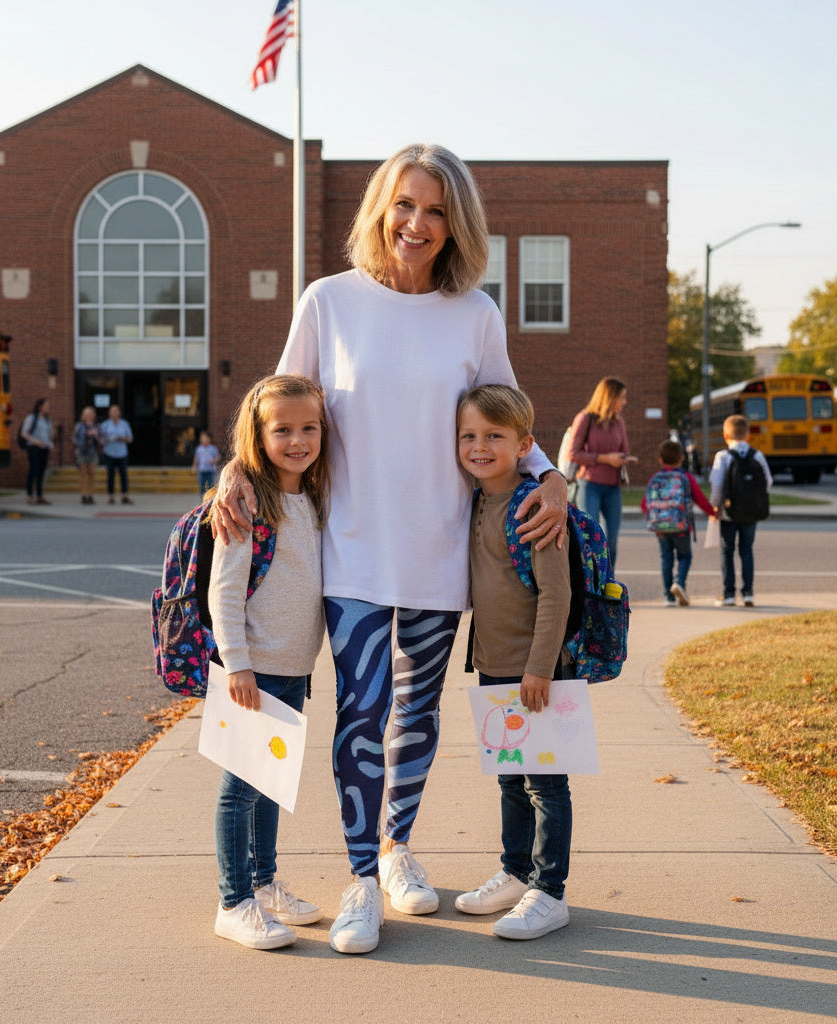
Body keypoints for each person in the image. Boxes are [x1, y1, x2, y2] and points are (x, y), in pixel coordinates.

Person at [212, 142, 567, 955]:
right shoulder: (328, 301)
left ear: (456, 225)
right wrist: (234, 469)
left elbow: (510, 421)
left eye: (436, 210)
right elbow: (275, 410)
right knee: (361, 713)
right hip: (352, 553)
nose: (417, 223)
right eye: (405, 204)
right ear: (380, 208)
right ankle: (361, 879)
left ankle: (399, 845)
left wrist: (551, 477)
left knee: (417, 713)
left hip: (442, 553)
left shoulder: (475, 314)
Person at [208, 374, 330, 950]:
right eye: (283, 430)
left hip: (293, 666)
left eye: (309, 428)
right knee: (241, 788)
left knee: (271, 783)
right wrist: (237, 664)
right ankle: (234, 902)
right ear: (257, 437)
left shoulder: (314, 495)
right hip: (254, 670)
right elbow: (225, 590)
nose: (298, 440)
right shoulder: (248, 501)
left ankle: (263, 883)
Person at [455, 384, 575, 940]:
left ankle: (550, 892)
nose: (479, 447)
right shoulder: (475, 499)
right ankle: (516, 871)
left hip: (535, 672)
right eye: (469, 436)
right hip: (493, 665)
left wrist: (540, 668)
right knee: (509, 778)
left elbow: (556, 595)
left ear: (525, 445)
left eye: (494, 436)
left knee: (545, 785)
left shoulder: (536, 506)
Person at [566, 377, 635, 574]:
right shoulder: (585, 418)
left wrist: (625, 458)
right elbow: (573, 454)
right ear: (609, 397)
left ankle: (607, 582)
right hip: (590, 485)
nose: (625, 402)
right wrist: (605, 458)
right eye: (622, 397)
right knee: (591, 538)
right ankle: (589, 582)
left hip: (613, 487)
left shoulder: (619, 422)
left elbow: (624, 450)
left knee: (611, 540)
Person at [640, 438, 716, 607]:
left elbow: (644, 505)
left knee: (666, 558)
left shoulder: (655, 478)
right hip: (681, 526)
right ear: (681, 458)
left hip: (660, 527)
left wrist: (657, 518)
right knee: (685, 556)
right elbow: (699, 498)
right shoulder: (686, 477)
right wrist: (712, 512)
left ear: (660, 459)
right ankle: (679, 583)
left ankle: (668, 597)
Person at [709, 414, 773, 607]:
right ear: (748, 435)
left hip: (729, 513)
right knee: (747, 549)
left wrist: (715, 506)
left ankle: (729, 594)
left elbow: (717, 485)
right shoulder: (757, 455)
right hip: (751, 512)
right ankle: (748, 593)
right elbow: (768, 481)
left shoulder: (723, 456)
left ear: (725, 435)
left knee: (727, 551)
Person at [20, 398, 54, 505]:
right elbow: (24, 433)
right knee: (33, 470)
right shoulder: (31, 418)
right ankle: (30, 495)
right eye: (46, 406)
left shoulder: (47, 420)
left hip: (44, 448)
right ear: (40, 407)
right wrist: (35, 441)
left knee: (41, 472)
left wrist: (49, 443)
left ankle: (39, 495)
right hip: (33, 447)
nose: (48, 408)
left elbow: (48, 435)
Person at [98, 404, 133, 505]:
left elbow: (130, 439)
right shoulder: (105, 425)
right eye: (112, 411)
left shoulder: (124, 424)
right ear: (109, 413)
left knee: (123, 475)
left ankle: (124, 495)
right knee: (110, 475)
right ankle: (111, 496)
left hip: (122, 453)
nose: (114, 413)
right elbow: (100, 439)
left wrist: (122, 438)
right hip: (109, 453)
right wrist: (106, 440)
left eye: (116, 411)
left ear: (119, 413)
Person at [72, 406, 101, 505]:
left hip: (92, 451)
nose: (88, 416)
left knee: (91, 473)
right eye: (86, 414)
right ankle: (84, 495)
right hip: (82, 451)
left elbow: (101, 439)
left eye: (90, 414)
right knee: (83, 473)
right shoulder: (79, 426)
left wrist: (95, 435)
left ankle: (90, 494)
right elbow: (74, 438)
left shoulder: (97, 426)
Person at [191, 430, 221, 498]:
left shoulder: (213, 448)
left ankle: (211, 498)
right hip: (202, 470)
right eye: (202, 438)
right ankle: (202, 498)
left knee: (211, 485)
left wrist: (214, 461)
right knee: (202, 484)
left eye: (205, 438)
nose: (204, 440)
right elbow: (196, 458)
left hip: (211, 470)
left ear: (209, 439)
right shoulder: (199, 449)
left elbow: (218, 457)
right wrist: (194, 466)